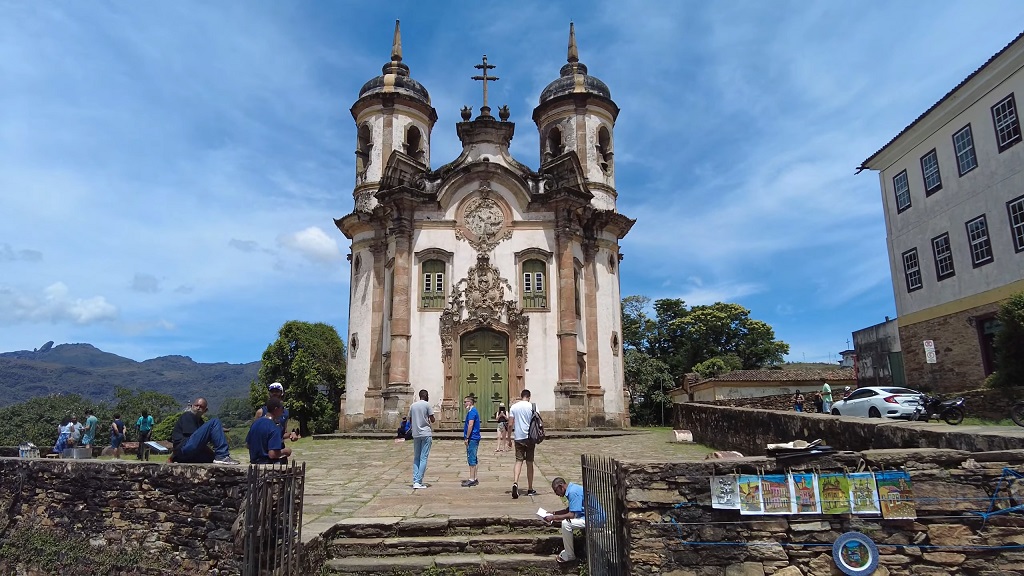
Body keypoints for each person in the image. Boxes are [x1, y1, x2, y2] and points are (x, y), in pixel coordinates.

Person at [171, 397, 239, 465]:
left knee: (212, 457)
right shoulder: (187, 416)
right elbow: (193, 440)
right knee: (215, 422)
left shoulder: (201, 423)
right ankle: (222, 456)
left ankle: (222, 457)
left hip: (189, 453)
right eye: (196, 405)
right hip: (184, 449)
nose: (198, 408)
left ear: (205, 410)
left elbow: (199, 441)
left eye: (201, 407)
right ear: (192, 406)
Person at [544, 477, 587, 564]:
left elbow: (571, 515)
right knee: (566, 522)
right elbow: (569, 510)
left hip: (593, 519)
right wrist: (554, 513)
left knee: (566, 524)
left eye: (556, 491)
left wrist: (554, 518)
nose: (556, 494)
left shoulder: (573, 492)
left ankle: (570, 554)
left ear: (561, 486)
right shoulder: (572, 489)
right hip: (585, 517)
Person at [508, 389, 538, 499]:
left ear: (521, 396)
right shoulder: (532, 407)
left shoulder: (514, 407)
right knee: (529, 463)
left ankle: (515, 482)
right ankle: (530, 488)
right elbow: (538, 422)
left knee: (518, 461)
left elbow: (510, 424)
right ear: (529, 397)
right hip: (530, 438)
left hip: (518, 437)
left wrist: (508, 438)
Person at [246, 396, 293, 464]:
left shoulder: (255, 424)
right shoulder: (274, 427)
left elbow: (248, 445)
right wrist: (286, 451)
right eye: (282, 408)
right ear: (276, 409)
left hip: (254, 465)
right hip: (268, 465)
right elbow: (273, 454)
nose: (283, 411)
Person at [408, 389, 435, 489]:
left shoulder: (413, 406)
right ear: (426, 396)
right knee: (423, 458)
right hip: (426, 433)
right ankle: (419, 481)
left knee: (416, 457)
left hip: (416, 434)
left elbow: (410, 419)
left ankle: (415, 481)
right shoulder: (427, 405)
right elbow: (432, 419)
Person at [461, 395, 481, 487]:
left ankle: (472, 478)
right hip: (474, 437)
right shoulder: (472, 411)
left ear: (470, 402)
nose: (464, 404)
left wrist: (467, 437)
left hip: (472, 437)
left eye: (465, 402)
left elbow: (470, 424)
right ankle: (475, 477)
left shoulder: (472, 412)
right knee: (474, 457)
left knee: (471, 457)